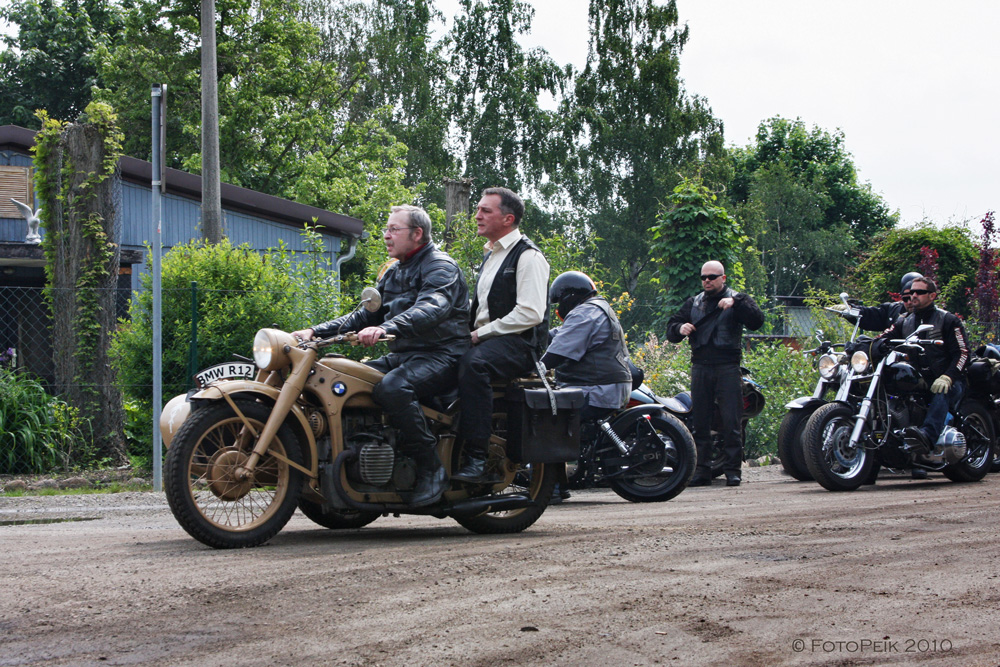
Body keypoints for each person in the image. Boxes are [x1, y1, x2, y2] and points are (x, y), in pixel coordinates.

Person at [291, 205, 470, 507]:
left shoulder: (441, 266)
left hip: (443, 355)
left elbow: (433, 307)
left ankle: (431, 467)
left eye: (393, 229)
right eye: (386, 229)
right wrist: (313, 332)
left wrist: (386, 328)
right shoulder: (395, 271)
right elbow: (362, 316)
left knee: (392, 388)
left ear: (417, 233)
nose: (386, 235)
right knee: (349, 379)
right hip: (406, 355)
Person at [452, 187, 550, 484]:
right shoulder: (492, 254)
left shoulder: (528, 256)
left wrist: (480, 334)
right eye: (478, 209)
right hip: (490, 340)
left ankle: (477, 458)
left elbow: (530, 314)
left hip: (520, 345)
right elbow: (481, 308)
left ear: (508, 219)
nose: (477, 215)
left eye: (485, 211)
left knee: (474, 364)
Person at [665, 261, 765, 487]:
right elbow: (672, 327)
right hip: (700, 366)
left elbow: (757, 321)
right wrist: (680, 329)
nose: (707, 280)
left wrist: (737, 303)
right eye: (704, 277)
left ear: (723, 278)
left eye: (712, 276)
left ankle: (732, 470)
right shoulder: (694, 302)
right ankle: (701, 471)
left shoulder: (737, 299)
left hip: (728, 367)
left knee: (731, 420)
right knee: (700, 421)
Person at [542, 271, 634, 501]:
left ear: (570, 296)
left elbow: (559, 350)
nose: (558, 308)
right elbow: (557, 335)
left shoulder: (586, 312)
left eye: (559, 302)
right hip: (602, 386)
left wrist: (540, 366)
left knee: (546, 419)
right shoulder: (596, 308)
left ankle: (550, 487)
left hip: (598, 390)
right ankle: (558, 484)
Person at [875, 277, 970, 455]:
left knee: (940, 392)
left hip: (949, 380)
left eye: (919, 292)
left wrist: (948, 376)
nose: (914, 295)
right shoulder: (905, 321)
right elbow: (885, 336)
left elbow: (963, 353)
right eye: (911, 292)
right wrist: (866, 344)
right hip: (921, 379)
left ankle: (927, 436)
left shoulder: (948, 320)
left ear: (932, 295)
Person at [830, 271, 922, 331]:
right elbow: (872, 315)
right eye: (906, 298)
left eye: (915, 297)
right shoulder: (893, 310)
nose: (910, 302)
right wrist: (850, 309)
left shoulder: (934, 315)